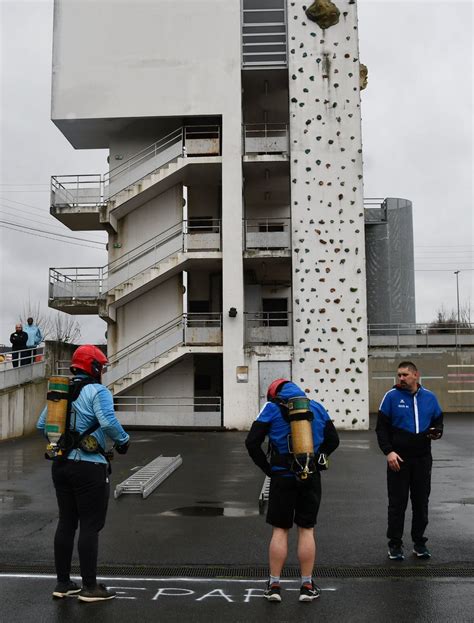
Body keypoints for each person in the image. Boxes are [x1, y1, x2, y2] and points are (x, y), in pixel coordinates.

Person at [37, 344, 130, 602]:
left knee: (67, 522)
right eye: (101, 367)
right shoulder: (98, 391)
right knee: (90, 524)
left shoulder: (62, 390)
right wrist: (123, 441)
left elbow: (42, 424)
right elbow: (109, 422)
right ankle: (90, 587)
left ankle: (64, 583)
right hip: (89, 468)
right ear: (94, 368)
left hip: (61, 465)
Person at [245, 379, 339, 603]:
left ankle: (274, 585)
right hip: (311, 476)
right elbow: (333, 440)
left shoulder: (271, 408)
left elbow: (252, 442)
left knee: (280, 530)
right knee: (306, 530)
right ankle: (307, 585)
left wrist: (268, 469)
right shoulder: (315, 406)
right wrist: (319, 457)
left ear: (274, 394)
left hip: (282, 477)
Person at [376, 361, 443, 561]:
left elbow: (438, 421)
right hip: (399, 459)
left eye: (405, 375)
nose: (401, 379)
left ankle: (420, 543)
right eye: (399, 375)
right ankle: (395, 545)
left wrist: (437, 432)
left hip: (422, 459)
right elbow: (381, 429)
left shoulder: (430, 397)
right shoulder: (390, 397)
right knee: (397, 504)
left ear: (416, 375)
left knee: (421, 502)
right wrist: (388, 452)